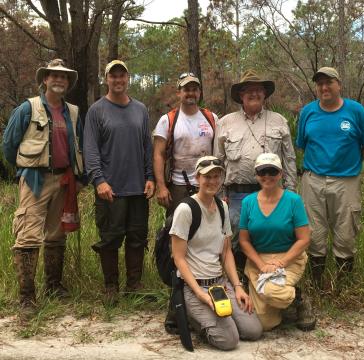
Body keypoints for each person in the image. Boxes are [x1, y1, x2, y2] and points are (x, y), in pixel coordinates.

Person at [3, 59, 84, 308]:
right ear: (45, 80)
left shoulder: (73, 111)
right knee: (27, 236)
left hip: (63, 179)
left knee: (57, 234)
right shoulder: (28, 108)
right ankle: (27, 298)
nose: (59, 80)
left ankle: (53, 286)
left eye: (64, 77)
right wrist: (23, 171)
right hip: (35, 179)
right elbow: (8, 144)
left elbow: (78, 146)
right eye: (54, 76)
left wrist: (79, 177)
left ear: (68, 83)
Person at [170, 156, 263, 350]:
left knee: (253, 331)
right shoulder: (186, 209)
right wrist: (199, 294)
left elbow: (226, 251)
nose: (212, 181)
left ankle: (219, 319)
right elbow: (178, 258)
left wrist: (237, 286)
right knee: (229, 341)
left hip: (219, 283)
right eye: (207, 177)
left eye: (216, 176)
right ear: (197, 178)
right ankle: (191, 316)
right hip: (195, 286)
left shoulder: (222, 207)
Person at [296, 67, 364, 286]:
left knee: (346, 232)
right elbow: (302, 144)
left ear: (339, 84)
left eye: (329, 82)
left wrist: (351, 160)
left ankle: (343, 286)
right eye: (320, 83)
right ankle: (317, 283)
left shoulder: (356, 111)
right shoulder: (308, 112)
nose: (324, 87)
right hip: (313, 180)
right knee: (314, 233)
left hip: (346, 181)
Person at [84, 60, 154, 303]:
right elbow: (90, 150)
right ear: (106, 79)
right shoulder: (96, 110)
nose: (118, 80)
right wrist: (99, 181)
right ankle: (110, 287)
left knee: (137, 237)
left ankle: (134, 284)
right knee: (110, 239)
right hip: (110, 189)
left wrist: (150, 177)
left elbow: (147, 146)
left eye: (122, 76)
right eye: (113, 76)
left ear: (128, 78)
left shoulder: (140, 109)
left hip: (138, 188)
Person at [214, 69, 297, 266]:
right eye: (248, 90)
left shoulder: (279, 121)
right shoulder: (226, 122)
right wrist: (219, 196)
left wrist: (290, 192)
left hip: (271, 192)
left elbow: (290, 159)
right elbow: (218, 161)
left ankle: (269, 278)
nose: (254, 93)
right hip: (236, 195)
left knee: (270, 237)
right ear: (240, 95)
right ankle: (239, 281)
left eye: (258, 89)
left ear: (265, 94)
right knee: (234, 238)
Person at [239, 153, 315, 331]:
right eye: (262, 172)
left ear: (280, 173)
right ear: (256, 175)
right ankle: (281, 306)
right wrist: (261, 264)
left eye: (272, 171)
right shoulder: (248, 202)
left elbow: (304, 239)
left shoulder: (293, 201)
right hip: (259, 260)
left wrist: (281, 262)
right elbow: (244, 241)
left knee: (272, 291)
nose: (267, 176)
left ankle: (298, 299)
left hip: (288, 258)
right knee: (265, 323)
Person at [153, 72, 218, 217]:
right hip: (179, 185)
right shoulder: (167, 120)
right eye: (186, 89)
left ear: (199, 92)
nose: (191, 93)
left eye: (194, 89)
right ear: (179, 93)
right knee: (177, 230)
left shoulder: (211, 118)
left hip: (207, 183)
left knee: (207, 229)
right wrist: (162, 187)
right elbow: (158, 154)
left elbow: (220, 152)